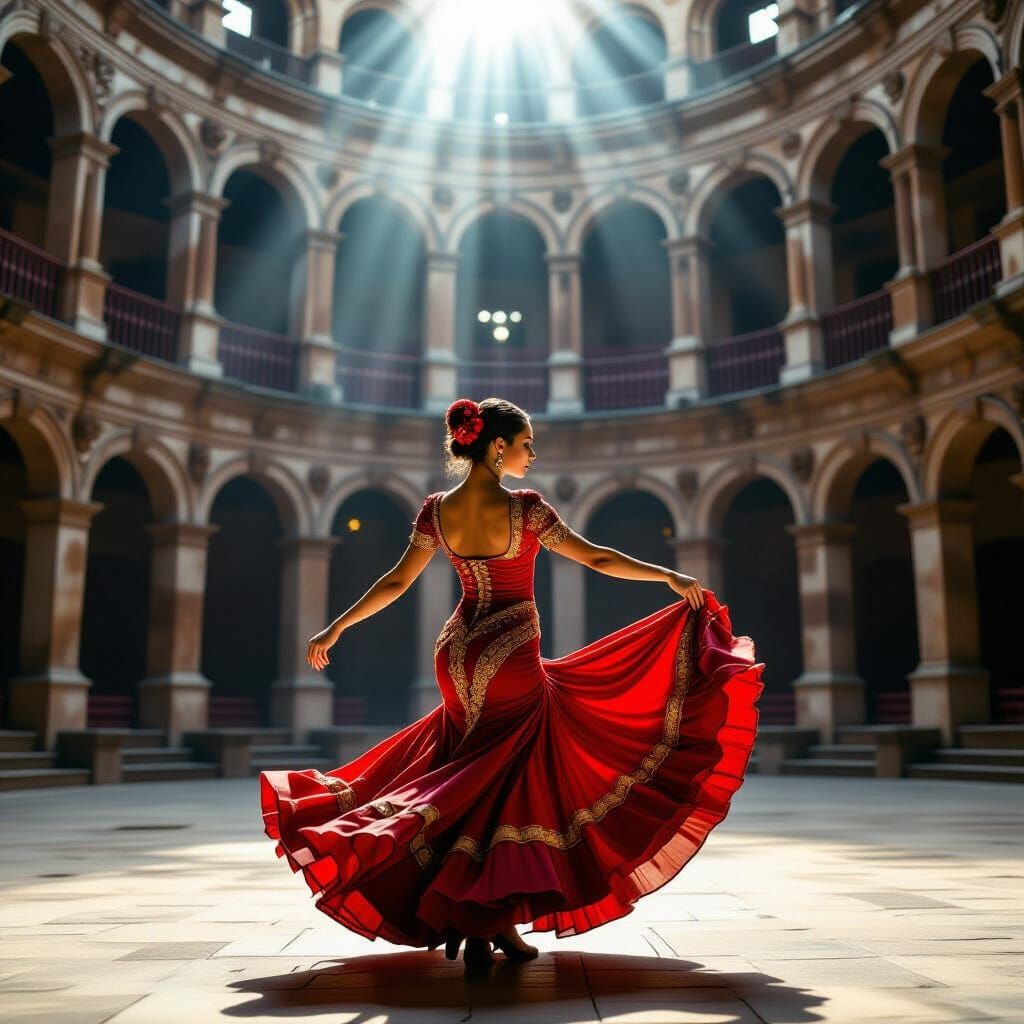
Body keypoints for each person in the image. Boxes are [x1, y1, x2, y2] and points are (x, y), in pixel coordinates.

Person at [259, 396, 764, 971]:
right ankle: (481, 920)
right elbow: (596, 559)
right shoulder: (525, 509)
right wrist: (667, 575)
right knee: (505, 776)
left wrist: (336, 626)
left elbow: (397, 582)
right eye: (526, 443)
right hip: (511, 654)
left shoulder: (436, 510)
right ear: (498, 446)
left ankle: (487, 922)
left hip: (455, 653)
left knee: (477, 771)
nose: (533, 453)